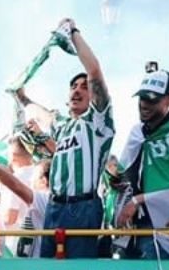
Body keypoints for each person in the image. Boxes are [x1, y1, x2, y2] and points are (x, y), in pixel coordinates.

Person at [14, 21, 113, 258]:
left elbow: (95, 72)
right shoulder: (62, 127)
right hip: (55, 206)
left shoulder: (97, 122)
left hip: (84, 207)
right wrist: (21, 96)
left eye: (84, 87)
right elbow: (41, 112)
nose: (77, 91)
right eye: (73, 87)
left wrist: (74, 33)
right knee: (49, 267)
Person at [113, 69, 169, 259]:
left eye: (152, 99)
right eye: (142, 98)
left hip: (166, 228)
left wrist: (138, 200)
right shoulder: (137, 131)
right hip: (131, 226)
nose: (144, 104)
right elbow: (123, 172)